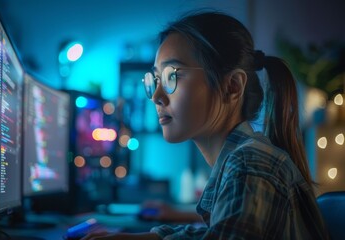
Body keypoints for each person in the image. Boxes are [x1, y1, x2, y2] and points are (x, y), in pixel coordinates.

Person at [81, 10, 330, 239]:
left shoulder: (250, 163)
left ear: (232, 86)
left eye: (172, 76)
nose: (156, 95)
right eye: (155, 79)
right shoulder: (245, 158)